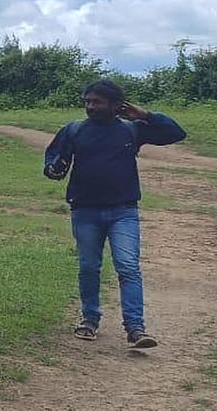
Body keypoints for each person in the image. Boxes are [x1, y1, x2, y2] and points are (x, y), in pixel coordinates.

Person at [43, 80, 185, 349]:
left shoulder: (132, 129)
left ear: (116, 105)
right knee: (88, 266)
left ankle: (135, 328)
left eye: (97, 102)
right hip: (85, 209)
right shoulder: (74, 130)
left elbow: (176, 133)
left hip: (124, 211)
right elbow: (53, 161)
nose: (90, 107)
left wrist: (145, 115)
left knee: (128, 266)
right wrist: (54, 168)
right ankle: (89, 319)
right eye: (87, 101)